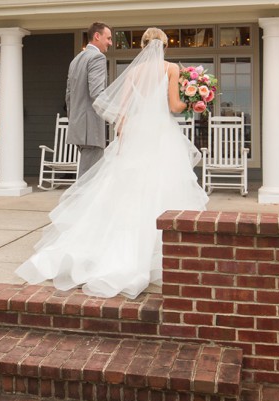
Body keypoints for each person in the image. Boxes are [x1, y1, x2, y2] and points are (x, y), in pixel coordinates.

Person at [16, 27, 208, 299]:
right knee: (161, 188)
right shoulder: (171, 69)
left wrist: (123, 132)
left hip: (136, 133)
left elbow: (123, 109)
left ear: (143, 45)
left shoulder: (134, 72)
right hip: (160, 134)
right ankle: (156, 252)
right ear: (163, 45)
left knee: (124, 190)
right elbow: (175, 107)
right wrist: (194, 101)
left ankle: (109, 248)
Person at [66, 22, 112, 176]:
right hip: (91, 129)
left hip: (79, 127)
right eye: (109, 38)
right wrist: (116, 116)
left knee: (88, 175)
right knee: (89, 180)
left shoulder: (76, 60)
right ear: (97, 36)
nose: (110, 43)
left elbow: (68, 97)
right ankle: (76, 201)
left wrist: (74, 121)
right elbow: (97, 93)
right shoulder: (97, 57)